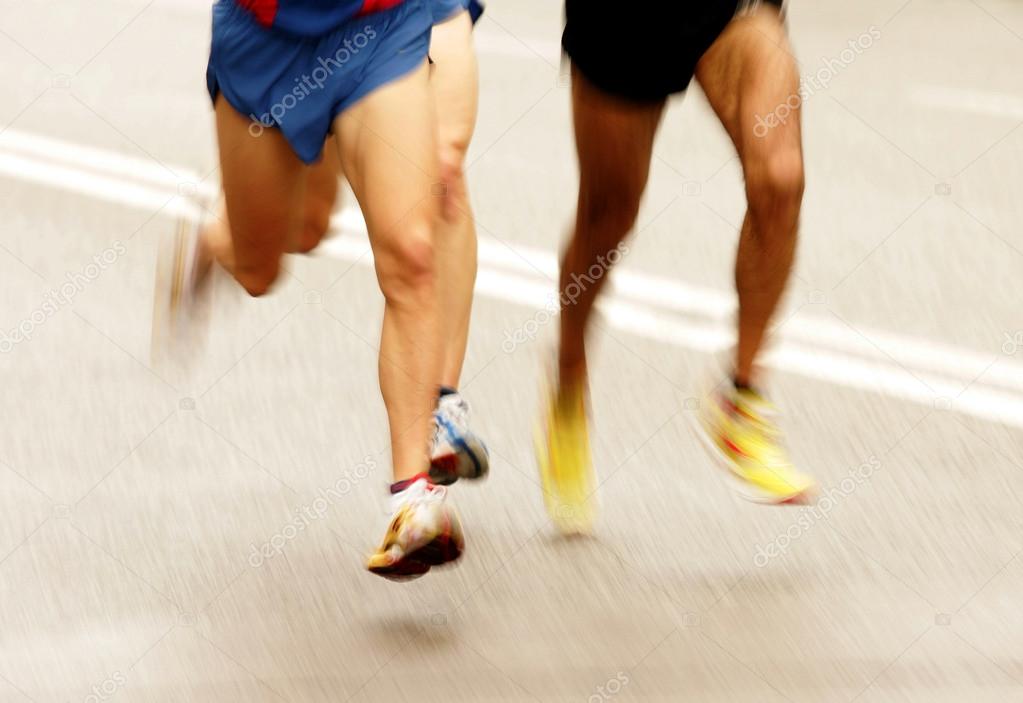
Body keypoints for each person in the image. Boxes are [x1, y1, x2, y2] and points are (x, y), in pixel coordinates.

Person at [154, 0, 486, 579]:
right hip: (265, 39)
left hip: (381, 26)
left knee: (411, 253)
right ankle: (216, 240)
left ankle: (412, 499)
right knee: (274, 257)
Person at [537, 0, 817, 533]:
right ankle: (569, 386)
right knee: (608, 215)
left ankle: (743, 397)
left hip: (734, 8)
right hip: (625, 19)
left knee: (780, 178)